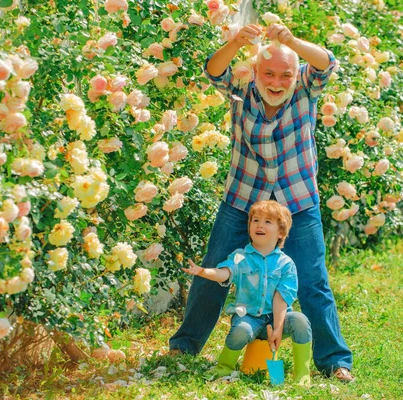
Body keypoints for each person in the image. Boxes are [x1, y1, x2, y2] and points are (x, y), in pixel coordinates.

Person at [170, 23, 354, 382]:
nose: (276, 81)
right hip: (243, 197)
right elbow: (213, 69)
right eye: (268, 73)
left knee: (313, 280)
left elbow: (327, 63)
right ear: (255, 72)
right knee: (214, 271)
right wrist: (237, 41)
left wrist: (291, 43)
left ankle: (335, 361)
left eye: (284, 74)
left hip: (296, 200)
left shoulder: (304, 86)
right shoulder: (241, 87)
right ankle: (185, 344)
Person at [182, 200, 312, 385]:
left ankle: (302, 375)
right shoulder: (240, 256)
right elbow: (225, 272)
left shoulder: (286, 265)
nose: (259, 225)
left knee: (300, 321)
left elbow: (281, 298)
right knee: (241, 330)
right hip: (248, 317)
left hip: (276, 316)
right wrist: (203, 272)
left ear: (281, 232)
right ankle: (224, 366)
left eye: (268, 222)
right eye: (255, 220)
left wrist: (278, 329)